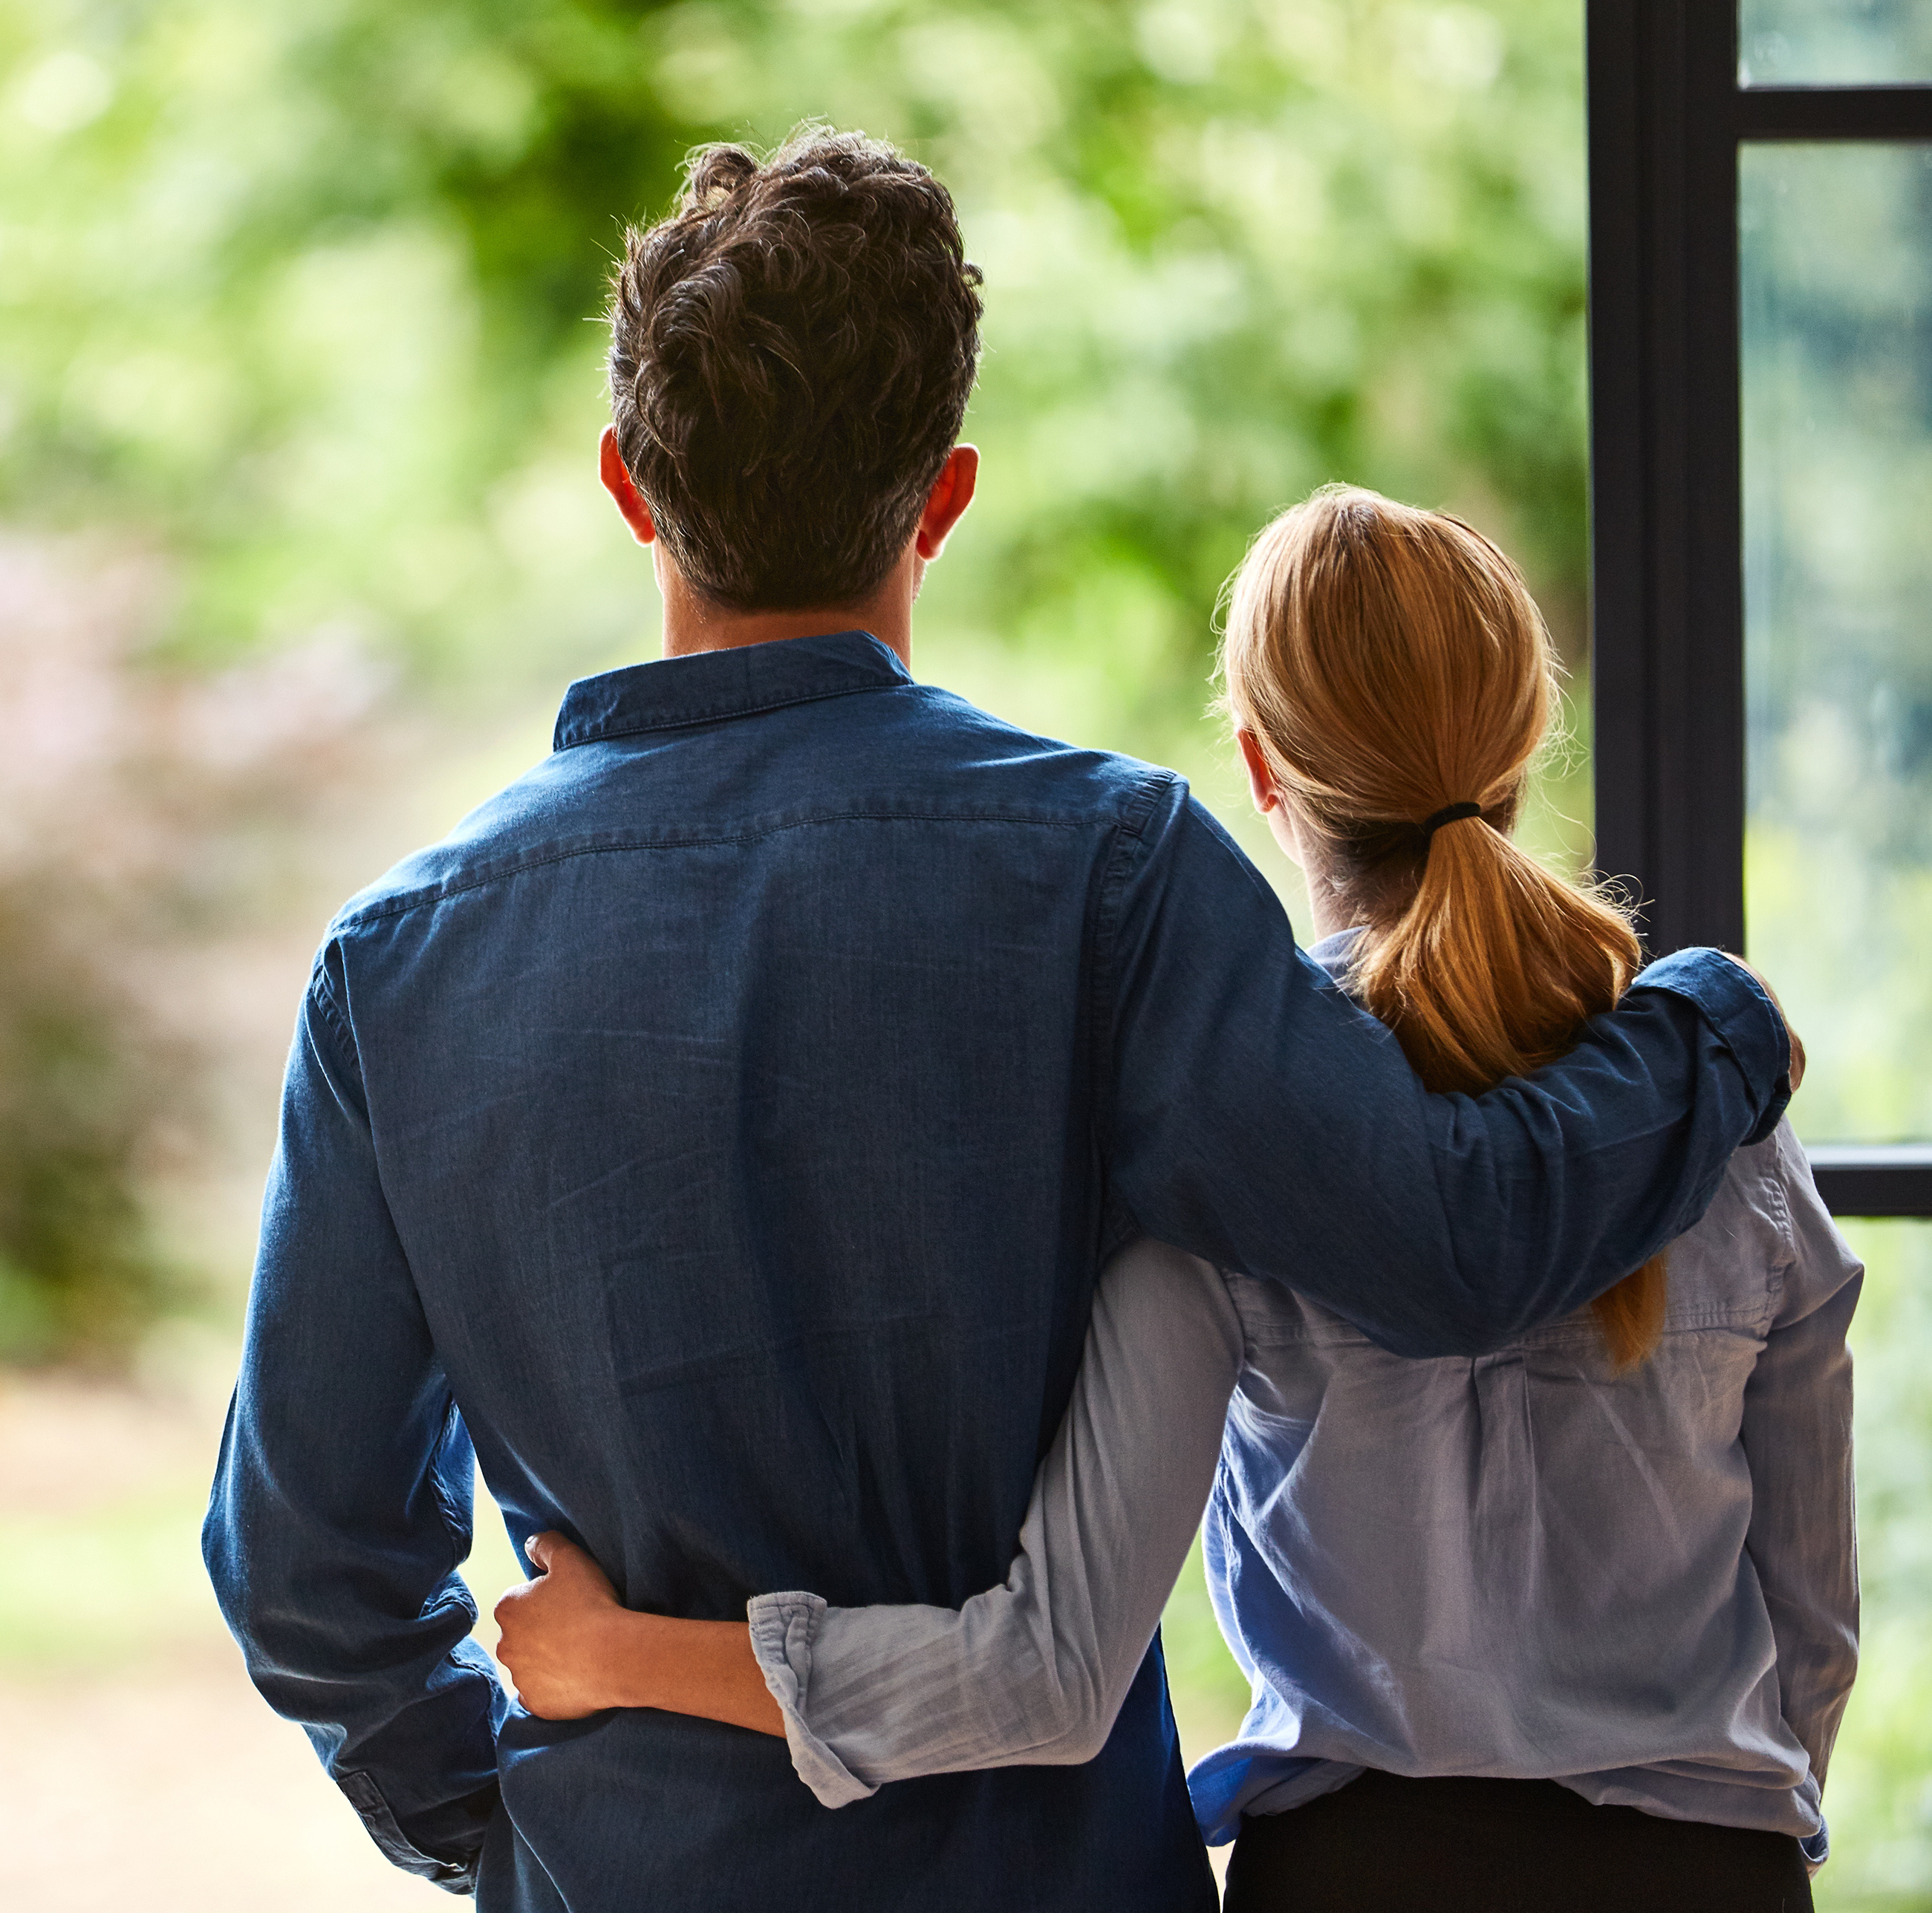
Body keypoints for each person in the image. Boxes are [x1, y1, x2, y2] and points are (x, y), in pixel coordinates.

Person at [204, 128, 1800, 1913]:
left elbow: (306, 1568)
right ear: (943, 496)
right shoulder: (1110, 871)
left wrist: (515, 1841)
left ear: (628, 486)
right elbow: (1452, 1239)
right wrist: (1714, 1022)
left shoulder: (399, 962)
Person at [489, 487, 1857, 1913]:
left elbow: (1047, 1671)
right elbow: (1811, 1626)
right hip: (1716, 1876)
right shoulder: (1720, 1108)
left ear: (1262, 770)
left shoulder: (1229, 1135)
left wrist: (623, 1655)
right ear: (1525, 744)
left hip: (1358, 1881)